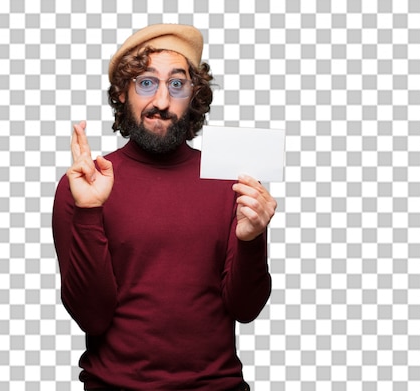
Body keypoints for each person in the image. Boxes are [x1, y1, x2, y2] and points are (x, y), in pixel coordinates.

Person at [52, 24, 277, 391]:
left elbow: (245, 309)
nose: (161, 100)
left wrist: (252, 239)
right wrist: (89, 210)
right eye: (145, 83)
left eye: (177, 84)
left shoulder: (232, 182)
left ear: (194, 96)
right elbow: (91, 317)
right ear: (123, 93)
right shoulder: (83, 185)